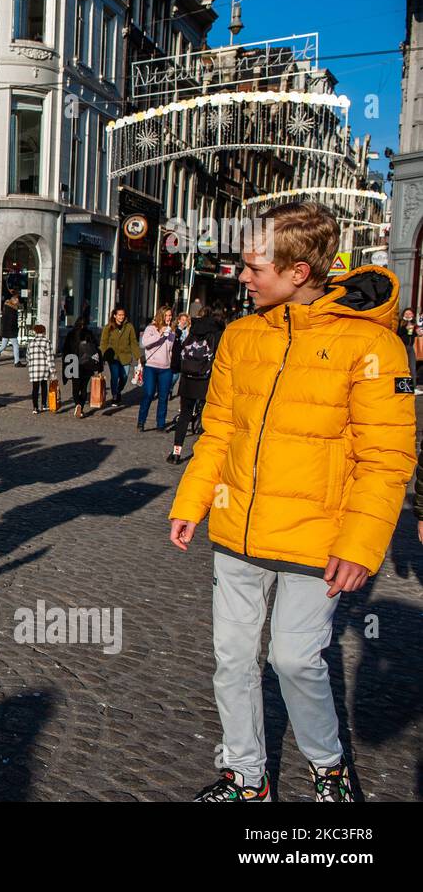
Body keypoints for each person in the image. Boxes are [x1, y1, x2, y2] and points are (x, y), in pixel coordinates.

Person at [169, 202, 415, 803]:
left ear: (298, 271)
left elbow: (387, 459)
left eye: (254, 268)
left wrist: (360, 545)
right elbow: (219, 429)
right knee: (231, 660)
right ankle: (246, 777)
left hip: (317, 537)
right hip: (238, 529)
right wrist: (192, 501)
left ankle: (328, 767)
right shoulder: (241, 334)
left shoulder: (372, 346)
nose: (243, 278)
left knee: (295, 660)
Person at [168, 307, 224, 464]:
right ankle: (202, 455)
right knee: (206, 418)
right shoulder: (218, 333)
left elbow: (179, 350)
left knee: (184, 415)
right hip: (207, 380)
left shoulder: (193, 331)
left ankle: (176, 452)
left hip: (187, 379)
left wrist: (176, 369)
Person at [137, 305, 175, 431]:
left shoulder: (172, 331)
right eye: (167, 315)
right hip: (151, 366)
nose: (169, 318)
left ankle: (160, 424)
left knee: (163, 397)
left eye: (170, 315)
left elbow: (171, 349)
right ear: (161, 315)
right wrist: (160, 333)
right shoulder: (151, 328)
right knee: (148, 393)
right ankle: (141, 421)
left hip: (166, 368)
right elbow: (144, 343)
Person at [61, 316, 101, 418]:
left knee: (75, 387)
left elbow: (65, 350)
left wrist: (66, 365)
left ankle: (77, 404)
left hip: (73, 363)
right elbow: (96, 348)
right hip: (87, 364)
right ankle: (81, 408)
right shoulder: (89, 334)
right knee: (84, 388)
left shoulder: (71, 334)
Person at [100, 306, 138, 406]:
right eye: (119, 315)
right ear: (115, 316)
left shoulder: (129, 327)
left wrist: (138, 357)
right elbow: (103, 342)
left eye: (123, 315)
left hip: (126, 356)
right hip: (113, 357)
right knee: (115, 376)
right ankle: (115, 395)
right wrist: (102, 356)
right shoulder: (108, 327)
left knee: (124, 377)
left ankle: (118, 390)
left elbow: (134, 342)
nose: (121, 317)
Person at [25, 324, 55, 414]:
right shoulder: (47, 342)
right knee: (44, 386)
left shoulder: (31, 343)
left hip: (34, 369)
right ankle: (44, 405)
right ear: (44, 331)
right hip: (44, 368)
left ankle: (35, 407)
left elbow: (27, 357)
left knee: (35, 388)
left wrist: (31, 364)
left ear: (35, 332)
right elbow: (50, 357)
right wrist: (53, 370)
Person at [0, 292, 24, 366]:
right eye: (17, 301)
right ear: (14, 301)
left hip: (6, 330)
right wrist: (15, 329)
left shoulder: (6, 308)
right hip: (11, 331)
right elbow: (12, 322)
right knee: (15, 345)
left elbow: (5, 321)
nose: (18, 303)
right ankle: (17, 362)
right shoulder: (12, 310)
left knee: (3, 346)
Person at [169, 311, 191, 400]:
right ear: (178, 320)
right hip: (173, 355)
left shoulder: (188, 331)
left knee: (175, 376)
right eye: (182, 320)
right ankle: (166, 388)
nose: (184, 322)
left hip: (182, 357)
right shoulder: (173, 329)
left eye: (185, 320)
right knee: (171, 374)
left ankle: (169, 389)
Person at [397, 306, 418, 387]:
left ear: (412, 314)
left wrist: (417, 333)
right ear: (403, 314)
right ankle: (401, 387)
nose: (408, 315)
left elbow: (413, 335)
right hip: (402, 347)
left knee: (412, 367)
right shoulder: (400, 322)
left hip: (410, 347)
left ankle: (413, 387)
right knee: (403, 367)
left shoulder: (413, 323)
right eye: (406, 313)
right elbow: (398, 333)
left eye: (410, 313)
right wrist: (406, 328)